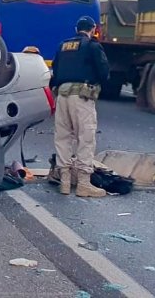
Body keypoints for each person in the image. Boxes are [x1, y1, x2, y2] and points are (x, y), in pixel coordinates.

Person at [50, 16, 110, 197]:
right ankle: (84, 183)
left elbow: (55, 71)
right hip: (82, 97)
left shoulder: (63, 46)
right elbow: (104, 72)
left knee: (63, 137)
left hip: (62, 96)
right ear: (92, 29)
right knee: (85, 137)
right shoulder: (92, 46)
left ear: (77, 29)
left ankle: (65, 182)